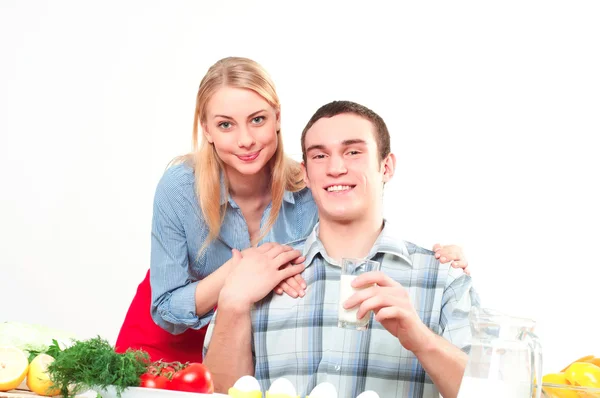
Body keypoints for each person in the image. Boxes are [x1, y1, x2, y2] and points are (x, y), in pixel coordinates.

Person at [115, 57, 471, 364]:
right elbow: (165, 309)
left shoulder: (309, 186)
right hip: (168, 335)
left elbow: (357, 232)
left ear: (277, 118)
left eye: (257, 120)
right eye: (226, 124)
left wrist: (435, 260)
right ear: (206, 129)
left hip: (251, 338)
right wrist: (244, 270)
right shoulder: (179, 188)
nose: (245, 140)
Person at [203, 100, 480, 398]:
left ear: (386, 167)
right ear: (306, 174)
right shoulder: (258, 275)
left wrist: (421, 339)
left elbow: (486, 393)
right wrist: (232, 303)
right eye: (320, 156)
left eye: (353, 152)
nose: (336, 168)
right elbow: (212, 393)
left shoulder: (443, 280)